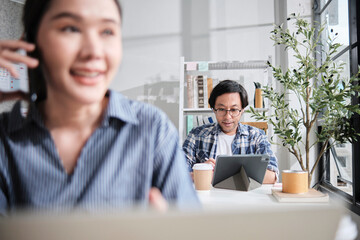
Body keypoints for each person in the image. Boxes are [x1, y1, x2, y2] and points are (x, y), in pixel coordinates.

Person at [0, 0, 199, 215]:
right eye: (71, 28)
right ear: (31, 42)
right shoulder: (5, 138)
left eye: (107, 31)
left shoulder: (151, 129)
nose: (94, 52)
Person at [183, 80, 278, 184]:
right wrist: (203, 171)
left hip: (245, 199)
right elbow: (178, 174)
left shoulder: (257, 137)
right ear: (214, 109)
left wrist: (222, 173)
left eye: (234, 110)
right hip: (207, 199)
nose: (227, 117)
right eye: (221, 109)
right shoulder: (197, 135)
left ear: (242, 110)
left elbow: (272, 175)